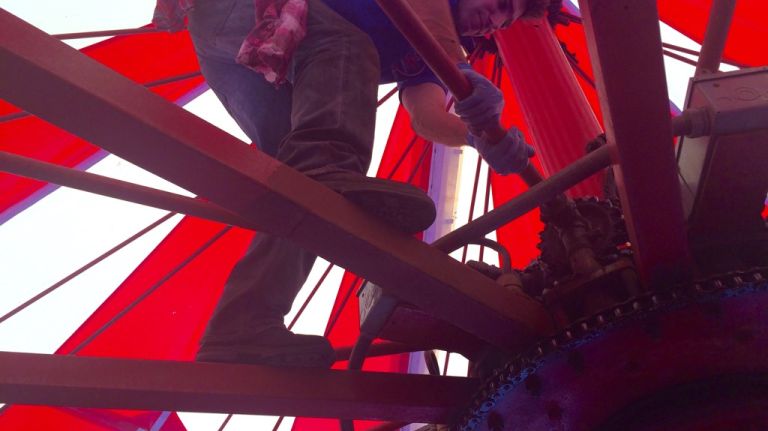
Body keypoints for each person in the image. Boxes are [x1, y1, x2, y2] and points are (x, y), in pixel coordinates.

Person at [153, 0, 547, 368]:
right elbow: (429, 15)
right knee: (346, 54)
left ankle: (244, 324)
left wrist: (474, 136)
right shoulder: (437, 29)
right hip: (240, 12)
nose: (494, 21)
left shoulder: (439, 49)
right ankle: (328, 177)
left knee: (306, 185)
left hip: (259, 63)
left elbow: (425, 116)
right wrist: (461, 74)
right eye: (498, 3)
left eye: (505, 20)